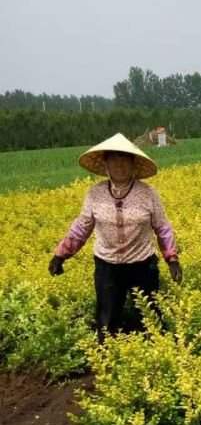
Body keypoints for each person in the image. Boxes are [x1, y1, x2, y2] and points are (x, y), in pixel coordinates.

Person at [49, 132, 182, 343]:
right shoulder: (95, 194)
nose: (119, 165)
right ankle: (107, 362)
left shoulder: (148, 193)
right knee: (107, 318)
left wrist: (172, 258)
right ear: (106, 165)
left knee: (149, 317)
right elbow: (81, 227)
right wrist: (61, 255)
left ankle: (155, 360)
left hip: (143, 265)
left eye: (124, 160)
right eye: (114, 159)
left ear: (133, 165)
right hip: (107, 266)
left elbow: (162, 227)